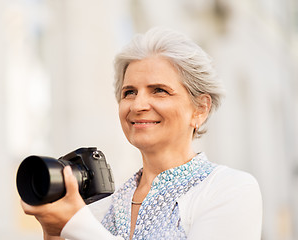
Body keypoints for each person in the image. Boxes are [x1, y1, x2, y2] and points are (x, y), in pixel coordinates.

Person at [21, 27, 262, 240]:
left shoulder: (229, 189)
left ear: (200, 109)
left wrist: (77, 226)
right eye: (129, 92)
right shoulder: (101, 207)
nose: (138, 105)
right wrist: (55, 234)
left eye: (159, 90)